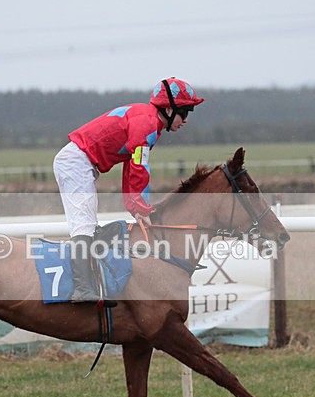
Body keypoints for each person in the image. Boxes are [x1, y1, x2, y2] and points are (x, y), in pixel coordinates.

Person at [53, 77, 205, 302]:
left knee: (89, 225)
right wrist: (140, 207)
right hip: (76, 162)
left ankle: (90, 282)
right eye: (184, 112)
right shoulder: (147, 124)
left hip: (81, 162)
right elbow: (139, 168)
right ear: (169, 108)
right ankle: (82, 288)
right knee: (84, 225)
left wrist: (135, 207)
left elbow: (131, 167)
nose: (185, 120)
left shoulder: (150, 121)